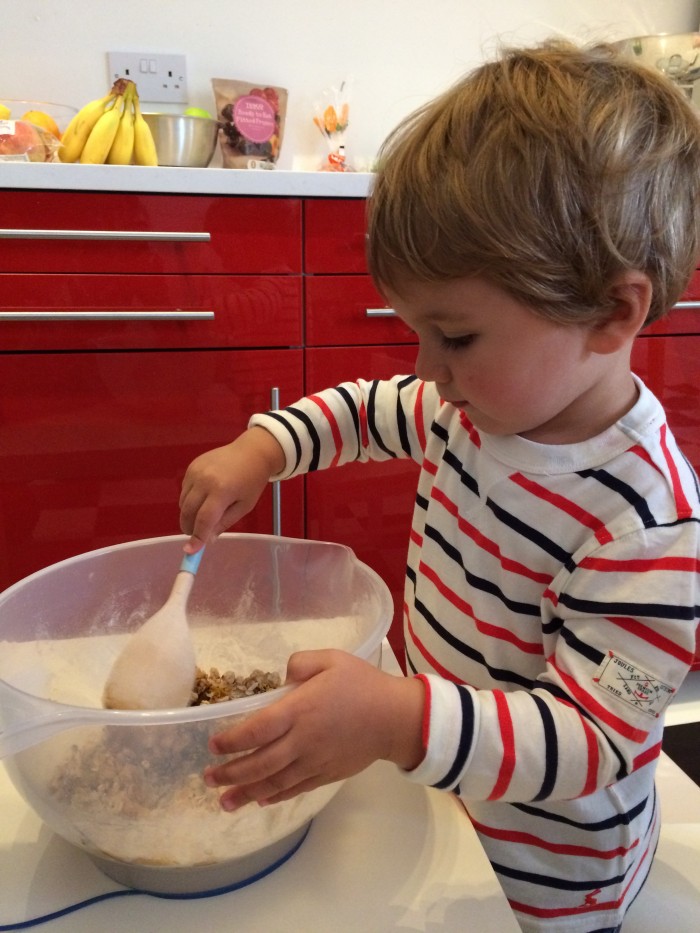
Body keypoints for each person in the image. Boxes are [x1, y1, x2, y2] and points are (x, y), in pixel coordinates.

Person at [179, 40, 700, 932]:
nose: (428, 370)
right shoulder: (474, 408)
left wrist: (398, 718)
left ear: (614, 314)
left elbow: (595, 740)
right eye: (417, 330)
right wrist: (263, 447)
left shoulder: (647, 526)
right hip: (447, 789)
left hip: (549, 877)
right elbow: (364, 409)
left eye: (455, 337)